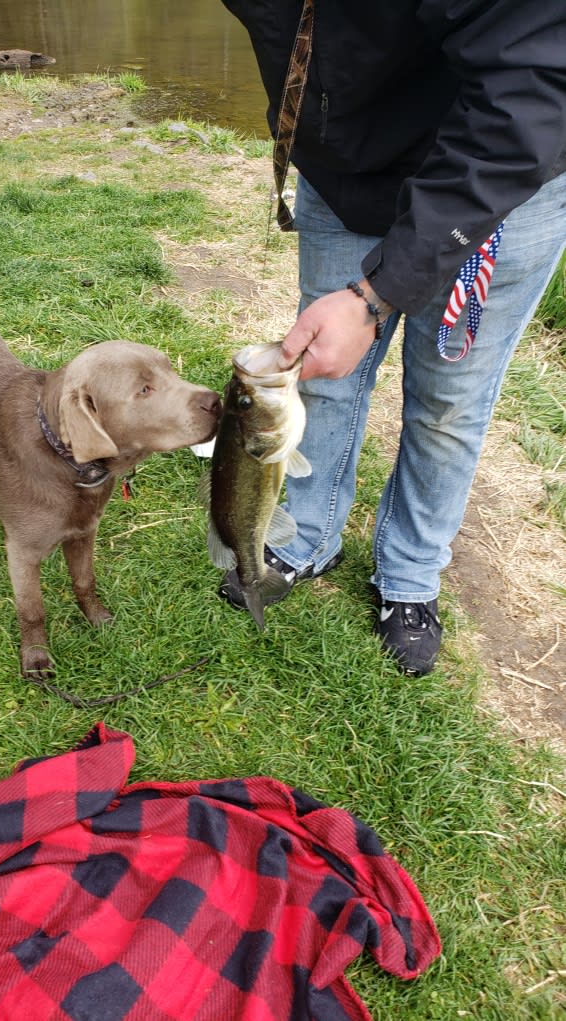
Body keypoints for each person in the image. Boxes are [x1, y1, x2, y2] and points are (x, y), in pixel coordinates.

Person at [218, 0, 566, 675]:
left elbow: (529, 88)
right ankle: (307, 537)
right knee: (322, 379)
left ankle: (409, 576)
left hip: (491, 187)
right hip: (348, 172)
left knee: (448, 405)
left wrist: (374, 297)